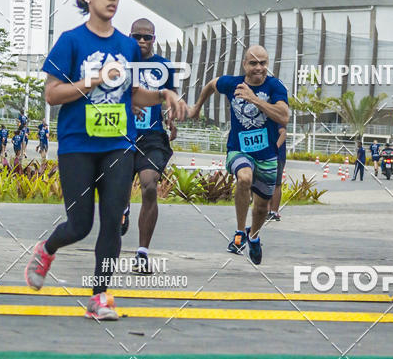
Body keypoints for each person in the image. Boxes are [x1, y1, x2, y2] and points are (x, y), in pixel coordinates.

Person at [24, 0, 186, 321]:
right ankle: (47, 249)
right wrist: (93, 80)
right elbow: (51, 94)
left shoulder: (128, 46)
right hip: (78, 145)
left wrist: (163, 97)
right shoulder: (70, 42)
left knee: (112, 221)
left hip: (118, 144)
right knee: (80, 224)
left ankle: (100, 297)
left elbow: (132, 94)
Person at [188, 45, 290, 265]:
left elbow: (284, 116)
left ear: (268, 64)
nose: (258, 68)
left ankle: (253, 236)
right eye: (253, 63)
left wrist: (256, 100)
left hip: (266, 155)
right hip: (239, 148)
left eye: (263, 63)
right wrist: (197, 108)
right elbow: (211, 85)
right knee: (244, 178)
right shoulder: (232, 83)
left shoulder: (275, 86)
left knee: (262, 207)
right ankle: (239, 231)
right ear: (245, 64)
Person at [121, 17, 180, 273]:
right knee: (118, 187)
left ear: (154, 39)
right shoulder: (120, 63)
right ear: (130, 37)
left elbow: (171, 97)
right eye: (138, 37)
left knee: (148, 186)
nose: (143, 41)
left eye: (148, 37)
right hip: (122, 135)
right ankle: (123, 207)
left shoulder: (164, 66)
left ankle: (142, 253)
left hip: (153, 136)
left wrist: (172, 117)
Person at [267, 125, 286, 222]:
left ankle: (274, 211)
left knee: (276, 184)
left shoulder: (276, 117)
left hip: (277, 157)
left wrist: (274, 148)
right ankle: (266, 211)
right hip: (265, 156)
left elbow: (283, 133)